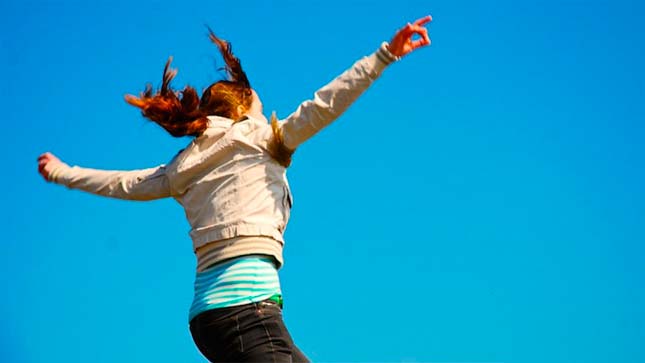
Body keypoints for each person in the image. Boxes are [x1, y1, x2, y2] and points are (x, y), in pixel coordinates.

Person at [37, 15, 432, 363]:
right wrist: (383, 56)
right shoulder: (260, 138)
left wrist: (63, 172)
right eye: (259, 106)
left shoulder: (181, 167)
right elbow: (324, 105)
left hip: (210, 318)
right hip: (246, 311)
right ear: (244, 110)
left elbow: (122, 184)